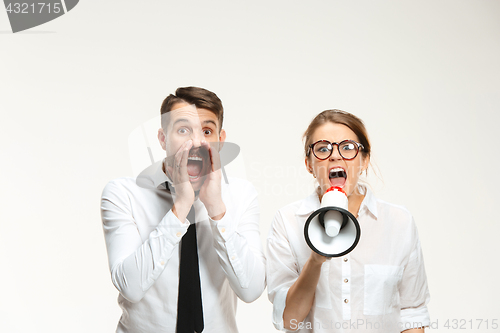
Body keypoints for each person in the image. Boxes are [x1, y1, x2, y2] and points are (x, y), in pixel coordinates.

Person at [101, 87, 266, 333]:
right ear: (162, 138)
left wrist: (216, 209)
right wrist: (180, 207)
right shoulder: (123, 193)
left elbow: (251, 290)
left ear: (220, 141)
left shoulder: (241, 195)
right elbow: (131, 287)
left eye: (207, 131)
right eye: (183, 130)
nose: (196, 142)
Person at [266, 110, 430, 332]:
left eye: (347, 147)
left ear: (364, 160)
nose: (335, 156)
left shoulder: (399, 222)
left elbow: (412, 313)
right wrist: (314, 261)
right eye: (323, 149)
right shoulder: (288, 221)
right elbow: (289, 320)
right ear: (309, 165)